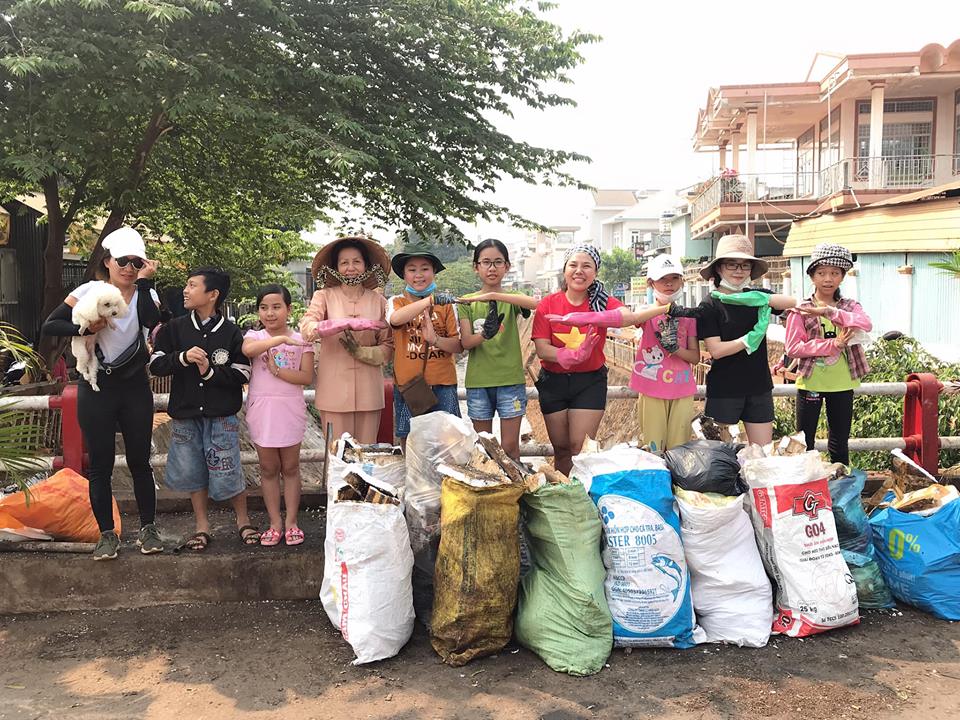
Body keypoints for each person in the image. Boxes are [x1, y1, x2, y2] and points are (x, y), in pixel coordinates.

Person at [41, 227, 162, 561]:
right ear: (107, 261)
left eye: (136, 263)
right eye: (122, 261)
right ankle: (106, 534)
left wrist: (147, 282)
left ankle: (149, 530)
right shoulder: (89, 291)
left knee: (140, 461)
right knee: (100, 465)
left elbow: (153, 324)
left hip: (135, 385)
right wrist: (85, 328)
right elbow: (51, 326)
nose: (128, 268)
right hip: (97, 385)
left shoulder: (145, 295)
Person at [532, 245, 670, 475]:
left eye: (587, 266)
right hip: (553, 382)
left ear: (595, 272)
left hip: (589, 382)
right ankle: (566, 498)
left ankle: (582, 496)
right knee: (561, 449)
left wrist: (589, 316)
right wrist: (570, 355)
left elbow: (628, 317)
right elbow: (542, 350)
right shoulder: (548, 304)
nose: (579, 271)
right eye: (573, 265)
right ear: (564, 270)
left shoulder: (602, 301)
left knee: (580, 448)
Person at [149, 267, 256, 552]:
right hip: (185, 415)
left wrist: (209, 372)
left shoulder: (234, 333)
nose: (185, 290)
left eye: (192, 285)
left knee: (228, 467)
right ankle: (201, 526)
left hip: (222, 415)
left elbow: (243, 374)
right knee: (193, 470)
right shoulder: (174, 328)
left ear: (213, 294)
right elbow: (155, 364)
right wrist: (181, 358)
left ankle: (243, 521)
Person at [680, 234, 798, 446]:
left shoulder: (757, 297)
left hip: (759, 387)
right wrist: (748, 340)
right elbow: (715, 350)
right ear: (718, 269)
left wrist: (759, 298)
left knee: (762, 454)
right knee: (719, 457)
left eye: (745, 266)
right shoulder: (710, 304)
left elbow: (792, 302)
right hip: (724, 389)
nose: (738, 270)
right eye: (731, 264)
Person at [785, 243, 872, 465]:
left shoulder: (849, 306)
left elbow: (866, 324)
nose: (828, 278)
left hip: (843, 383)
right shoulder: (801, 309)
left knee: (839, 443)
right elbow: (793, 348)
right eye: (821, 273)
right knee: (805, 443)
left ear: (842, 277)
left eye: (835, 273)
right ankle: (805, 491)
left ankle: (841, 490)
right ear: (812, 276)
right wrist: (832, 345)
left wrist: (829, 312)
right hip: (811, 383)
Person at [299, 236, 392, 444]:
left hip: (370, 390)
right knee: (337, 456)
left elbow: (388, 346)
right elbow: (306, 328)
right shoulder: (323, 296)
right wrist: (330, 326)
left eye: (357, 261)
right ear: (335, 267)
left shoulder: (379, 302)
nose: (351, 268)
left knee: (367, 457)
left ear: (367, 265)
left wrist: (365, 353)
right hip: (333, 389)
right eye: (344, 263)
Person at [243, 284, 315, 546]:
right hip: (262, 410)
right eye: (264, 308)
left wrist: (278, 371)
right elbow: (249, 351)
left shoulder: (302, 340)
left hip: (289, 409)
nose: (270, 313)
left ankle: (291, 522)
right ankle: (274, 523)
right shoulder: (254, 335)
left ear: (289, 309)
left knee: (291, 467)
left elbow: (306, 377)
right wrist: (281, 340)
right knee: (268, 468)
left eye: (276, 307)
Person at [457, 239, 538, 460]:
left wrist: (494, 296)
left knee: (511, 447)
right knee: (485, 448)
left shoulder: (512, 300)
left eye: (497, 262)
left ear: (507, 266)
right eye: (486, 262)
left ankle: (514, 494)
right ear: (476, 267)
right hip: (479, 382)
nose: (492, 268)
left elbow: (537, 305)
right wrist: (484, 335)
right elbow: (465, 343)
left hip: (510, 381)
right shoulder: (467, 302)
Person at [386, 240, 462, 450]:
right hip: (409, 385)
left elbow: (458, 345)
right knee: (409, 440)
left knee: (448, 442)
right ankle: (414, 481)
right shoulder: (396, 302)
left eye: (425, 269)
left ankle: (445, 482)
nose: (418, 274)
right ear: (404, 275)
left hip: (443, 383)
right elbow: (395, 320)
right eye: (412, 269)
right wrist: (429, 301)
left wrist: (435, 340)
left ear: (434, 272)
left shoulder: (446, 305)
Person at [628, 254, 699, 453]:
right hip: (651, 387)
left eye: (674, 278)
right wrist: (660, 309)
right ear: (651, 283)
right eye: (662, 279)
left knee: (679, 449)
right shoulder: (644, 313)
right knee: (653, 447)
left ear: (682, 281)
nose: (669, 284)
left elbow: (695, 357)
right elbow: (629, 320)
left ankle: (677, 484)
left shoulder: (689, 316)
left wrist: (676, 349)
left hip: (682, 387)